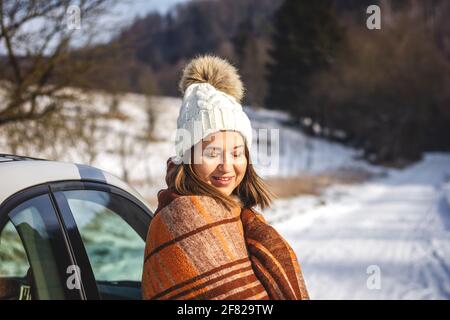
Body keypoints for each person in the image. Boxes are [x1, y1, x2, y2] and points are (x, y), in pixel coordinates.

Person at [141, 55, 309, 300]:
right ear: (187, 156)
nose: (226, 166)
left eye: (236, 152)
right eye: (212, 152)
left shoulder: (239, 216)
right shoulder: (181, 220)